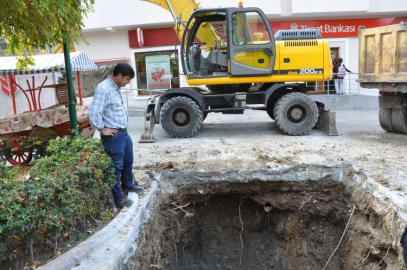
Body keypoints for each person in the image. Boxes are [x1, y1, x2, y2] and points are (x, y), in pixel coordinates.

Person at [89, 63, 144, 208]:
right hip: (113, 136)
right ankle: (118, 198)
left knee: (128, 160)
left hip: (123, 133)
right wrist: (102, 129)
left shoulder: (117, 88)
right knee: (116, 167)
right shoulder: (104, 88)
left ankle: (128, 185)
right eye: (127, 79)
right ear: (119, 75)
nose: (128, 82)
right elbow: (95, 111)